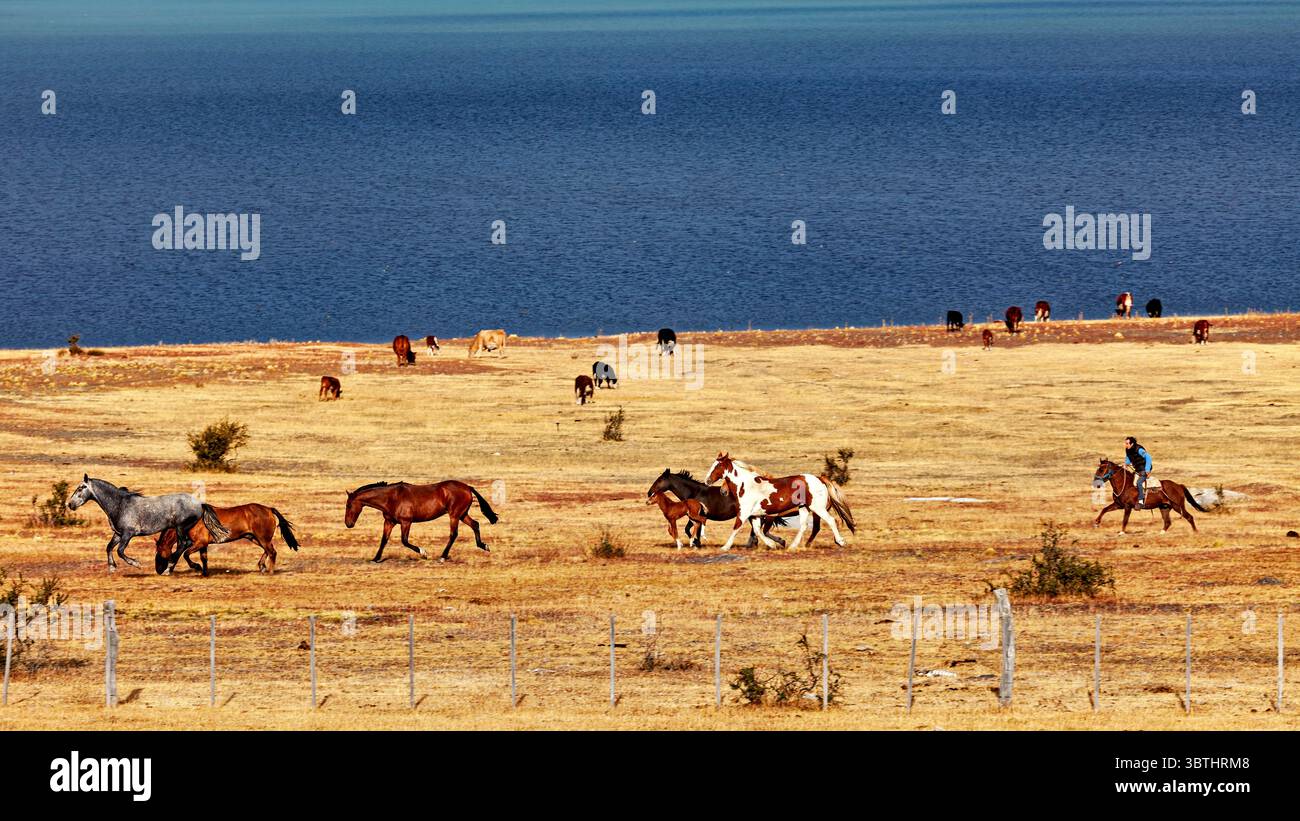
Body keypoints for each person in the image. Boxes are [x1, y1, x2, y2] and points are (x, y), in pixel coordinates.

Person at [1124, 436, 1152, 508]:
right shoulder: (1128, 450)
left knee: (1139, 482)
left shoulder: (1139, 449)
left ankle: (1141, 501)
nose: (1125, 445)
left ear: (1132, 444)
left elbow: (1148, 457)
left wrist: (1147, 470)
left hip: (1144, 469)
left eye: (1127, 443)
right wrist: (1126, 464)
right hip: (1137, 469)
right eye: (1125, 443)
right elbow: (1128, 458)